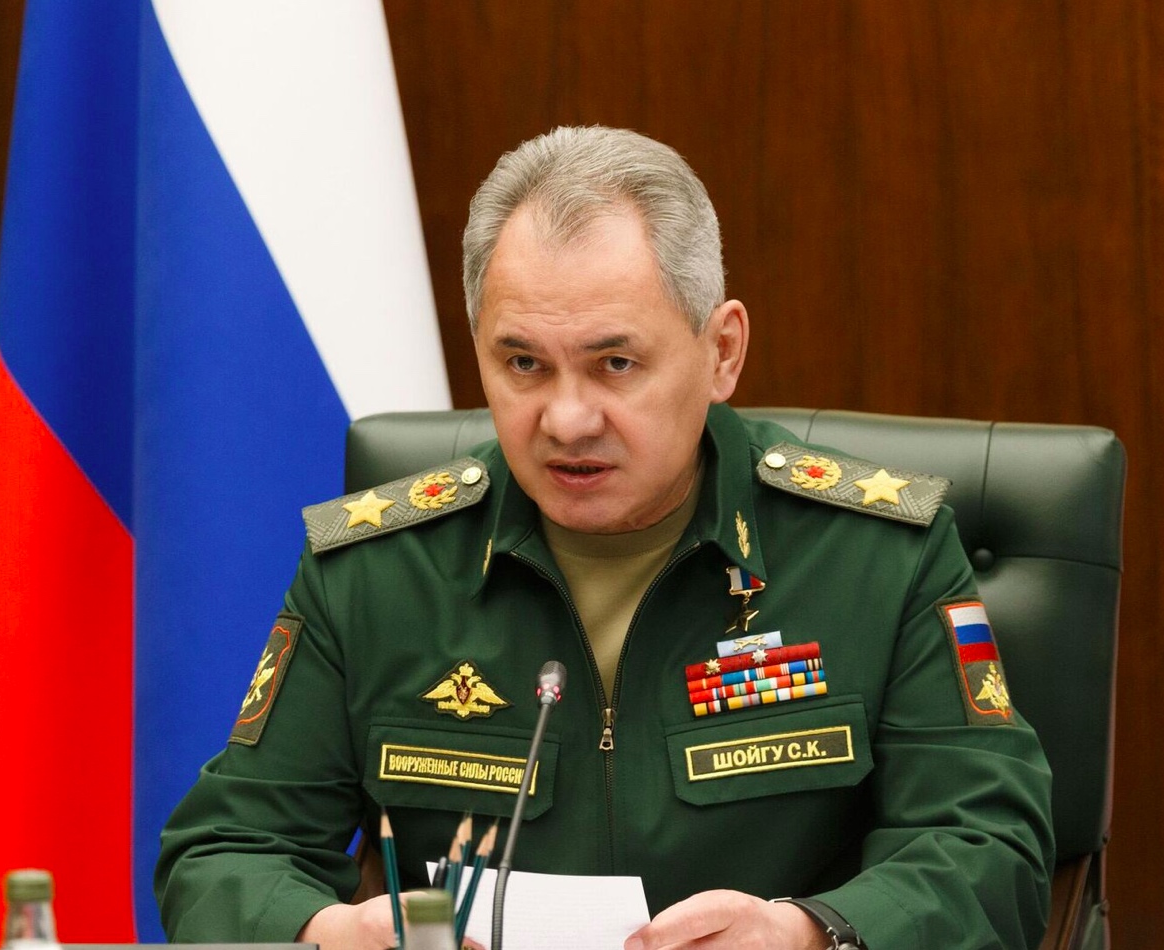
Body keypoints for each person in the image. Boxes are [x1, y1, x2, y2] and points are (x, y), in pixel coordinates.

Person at [155, 126, 1054, 949]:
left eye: (615, 363)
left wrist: (810, 935)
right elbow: (225, 852)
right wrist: (327, 932)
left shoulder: (879, 556)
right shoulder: (377, 569)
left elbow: (987, 847)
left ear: (722, 351)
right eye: (523, 364)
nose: (567, 418)